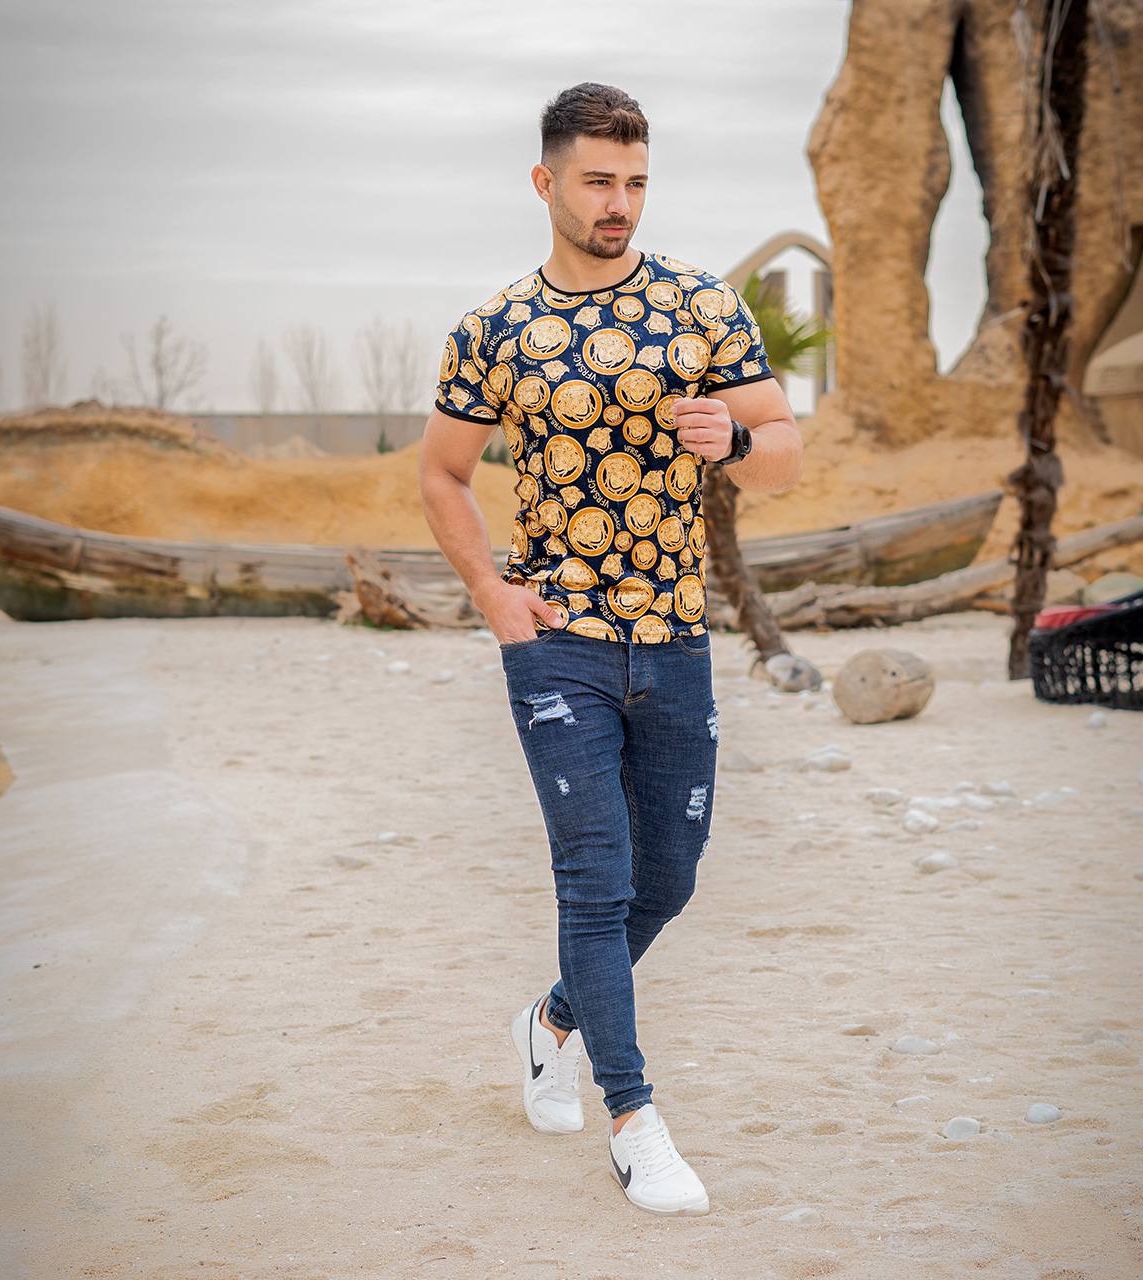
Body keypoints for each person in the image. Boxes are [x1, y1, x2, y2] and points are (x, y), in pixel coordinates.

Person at [419, 82, 803, 1216]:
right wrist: (491, 593)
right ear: (546, 183)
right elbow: (442, 473)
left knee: (667, 881)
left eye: (634, 181)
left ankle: (550, 1021)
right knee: (595, 876)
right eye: (597, 181)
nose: (618, 202)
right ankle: (635, 1122)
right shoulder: (493, 329)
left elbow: (783, 451)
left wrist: (734, 440)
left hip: (673, 639)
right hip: (556, 645)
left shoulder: (700, 304)